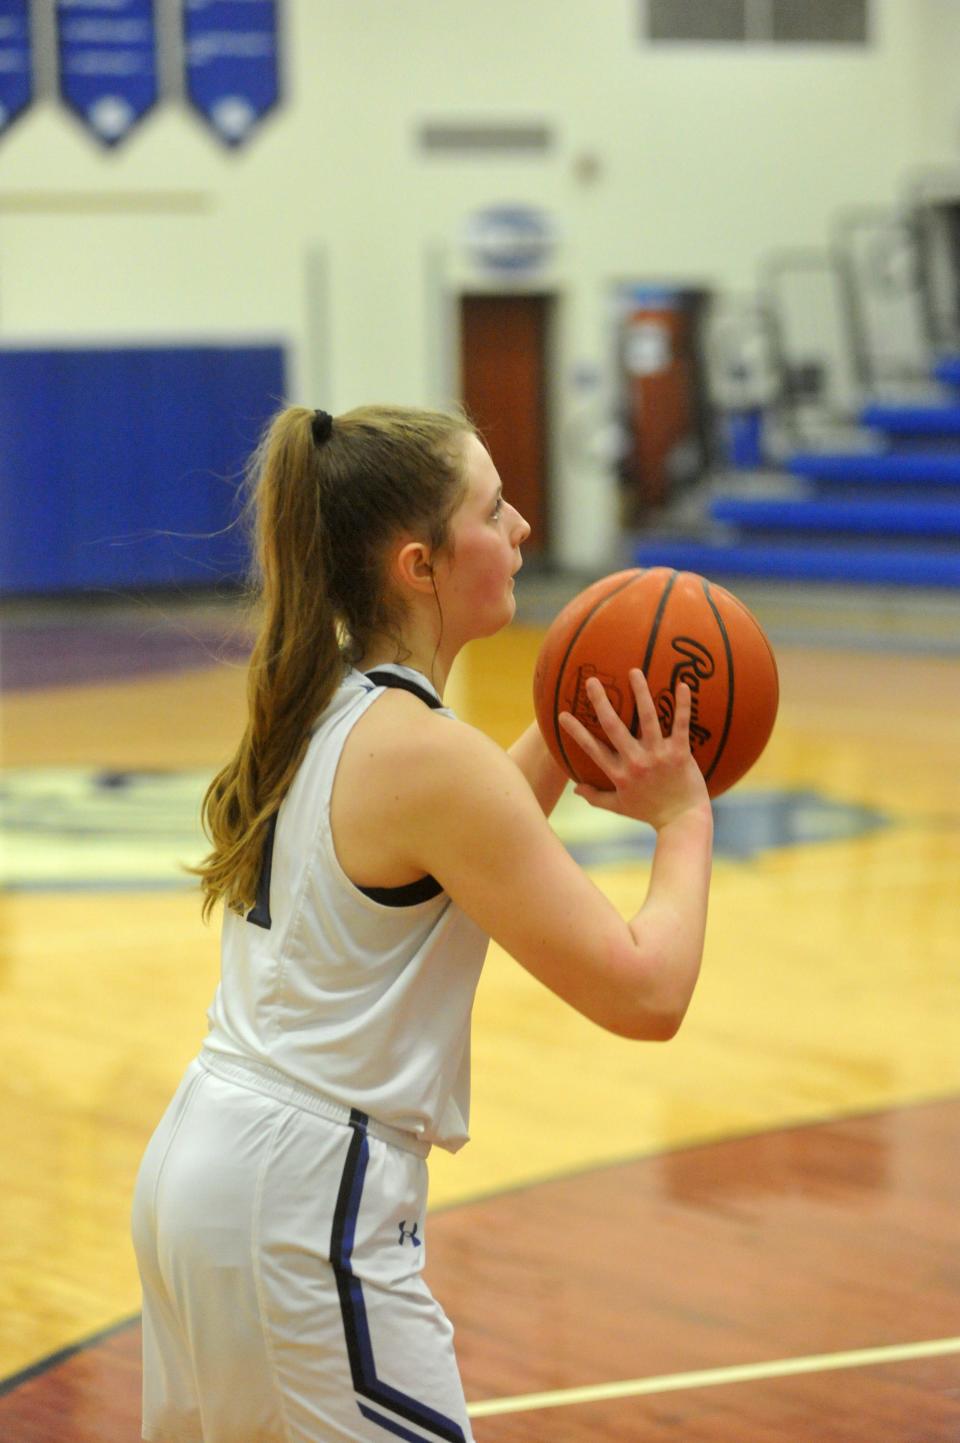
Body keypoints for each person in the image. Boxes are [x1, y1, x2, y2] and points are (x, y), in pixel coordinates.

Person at [131, 403, 713, 1443]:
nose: (525, 525)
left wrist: (578, 718)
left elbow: (472, 850)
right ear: (421, 565)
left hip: (211, 1168)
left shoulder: (333, 704)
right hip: (299, 1203)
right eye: (493, 510)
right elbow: (646, 991)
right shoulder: (426, 757)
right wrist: (683, 818)